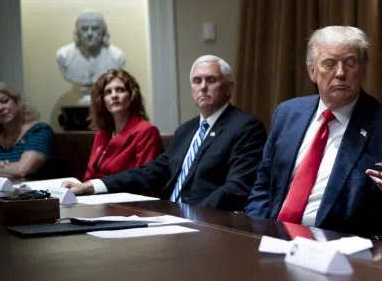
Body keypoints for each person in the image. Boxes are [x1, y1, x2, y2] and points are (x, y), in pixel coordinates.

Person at [245, 26, 382, 238]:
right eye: (329, 64)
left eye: (350, 63)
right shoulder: (287, 114)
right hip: (273, 239)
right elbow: (262, 188)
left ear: (363, 70)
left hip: (338, 250)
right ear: (312, 71)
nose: (341, 73)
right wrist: (255, 233)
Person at [64, 56, 267, 211]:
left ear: (229, 88)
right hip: (166, 217)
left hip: (205, 223)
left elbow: (236, 188)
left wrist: (191, 216)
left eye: (211, 80)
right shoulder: (186, 130)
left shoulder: (246, 127)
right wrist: (94, 186)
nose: (203, 87)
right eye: (197, 81)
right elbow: (151, 172)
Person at [81, 69, 163, 182]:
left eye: (120, 90)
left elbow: (146, 180)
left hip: (128, 197)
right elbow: (89, 175)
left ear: (131, 96)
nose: (114, 96)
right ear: (102, 101)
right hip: (95, 197)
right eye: (108, 92)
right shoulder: (102, 134)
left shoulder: (146, 131)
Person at [0, 83, 54, 179]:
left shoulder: (39, 131)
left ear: (17, 102)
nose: (0, 108)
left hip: (36, 191)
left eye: (5, 101)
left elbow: (22, 169)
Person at [56, 11, 126, 87]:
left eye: (95, 28)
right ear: (77, 31)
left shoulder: (116, 57)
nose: (90, 33)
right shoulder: (64, 56)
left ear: (103, 31)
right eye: (84, 29)